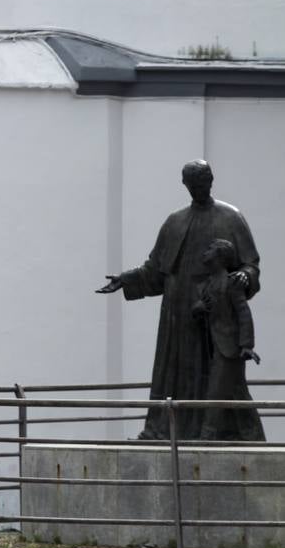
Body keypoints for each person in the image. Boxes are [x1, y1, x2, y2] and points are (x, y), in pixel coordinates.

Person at [96, 160, 260, 440]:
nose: (198, 189)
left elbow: (250, 264)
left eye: (203, 183)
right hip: (177, 311)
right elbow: (156, 271)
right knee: (174, 374)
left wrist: (245, 276)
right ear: (185, 186)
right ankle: (166, 431)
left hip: (214, 311)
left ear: (211, 180)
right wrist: (127, 278)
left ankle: (216, 433)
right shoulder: (175, 222)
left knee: (220, 378)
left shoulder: (231, 218)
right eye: (193, 185)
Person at [191, 239, 264, 440]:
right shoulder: (206, 285)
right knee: (239, 393)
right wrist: (197, 310)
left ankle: (207, 436)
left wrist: (247, 345)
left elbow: (243, 312)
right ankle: (255, 437)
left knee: (215, 392)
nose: (205, 252)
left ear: (220, 258)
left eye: (210, 249)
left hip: (229, 348)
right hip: (215, 347)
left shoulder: (231, 282)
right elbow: (204, 314)